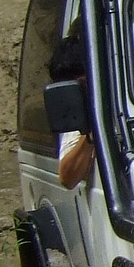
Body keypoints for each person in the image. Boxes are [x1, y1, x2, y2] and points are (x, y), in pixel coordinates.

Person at [48, 26, 96, 190]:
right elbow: (67, 178)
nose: (82, 94)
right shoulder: (80, 114)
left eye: (84, 85)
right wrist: (92, 133)